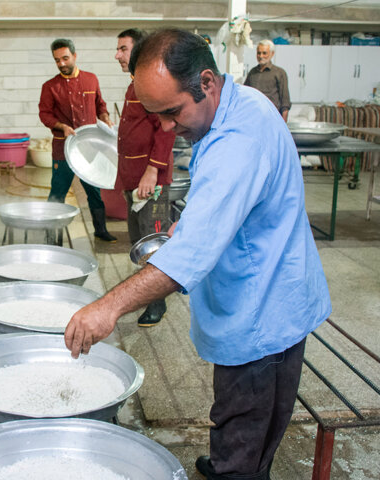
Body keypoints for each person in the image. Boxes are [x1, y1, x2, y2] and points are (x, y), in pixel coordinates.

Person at [64, 29, 330, 479]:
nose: (167, 128)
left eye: (171, 113)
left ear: (206, 81)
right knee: (235, 414)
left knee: (245, 438)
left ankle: (233, 469)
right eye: (156, 116)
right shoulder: (236, 101)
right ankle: (228, 457)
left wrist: (107, 307)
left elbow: (193, 252)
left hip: (264, 317)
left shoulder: (238, 142)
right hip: (255, 289)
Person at [114, 28, 176, 327]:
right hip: (133, 179)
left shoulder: (151, 85)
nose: (117, 55)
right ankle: (147, 293)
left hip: (149, 180)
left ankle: (157, 303)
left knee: (153, 243)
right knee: (140, 242)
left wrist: (153, 170)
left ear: (139, 52)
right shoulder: (133, 85)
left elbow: (166, 129)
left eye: (123, 49)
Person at [38, 38, 117, 243]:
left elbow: (100, 105)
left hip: (89, 148)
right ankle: (51, 236)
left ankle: (100, 230)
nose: (62, 63)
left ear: (74, 55)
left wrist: (106, 117)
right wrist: (61, 126)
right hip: (63, 148)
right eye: (57, 60)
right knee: (58, 192)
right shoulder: (50, 86)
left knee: (94, 191)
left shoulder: (91, 79)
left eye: (65, 58)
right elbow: (44, 115)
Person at [244, 39, 291, 122]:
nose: (261, 56)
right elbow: (244, 96)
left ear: (272, 54)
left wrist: (283, 127)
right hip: (253, 118)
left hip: (272, 119)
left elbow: (285, 103)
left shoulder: (279, 73)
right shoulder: (252, 73)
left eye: (264, 53)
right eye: (259, 53)